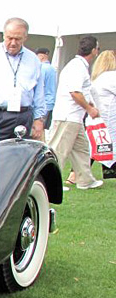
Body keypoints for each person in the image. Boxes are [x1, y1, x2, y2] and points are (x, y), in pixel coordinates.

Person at [48, 36, 103, 191]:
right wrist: (90, 109)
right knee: (59, 150)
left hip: (75, 117)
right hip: (67, 116)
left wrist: (89, 104)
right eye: (97, 49)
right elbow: (75, 92)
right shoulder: (77, 67)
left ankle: (85, 180)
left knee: (82, 149)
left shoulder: (80, 66)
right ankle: (52, 183)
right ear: (93, 50)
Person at [90, 48, 116, 179]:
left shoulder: (97, 78)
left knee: (97, 146)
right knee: (107, 146)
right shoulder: (111, 77)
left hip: (97, 118)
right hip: (110, 118)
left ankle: (109, 173)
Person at [35, 47, 58, 129]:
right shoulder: (51, 69)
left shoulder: (42, 68)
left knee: (38, 130)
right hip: (50, 103)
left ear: (41, 56)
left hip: (44, 104)